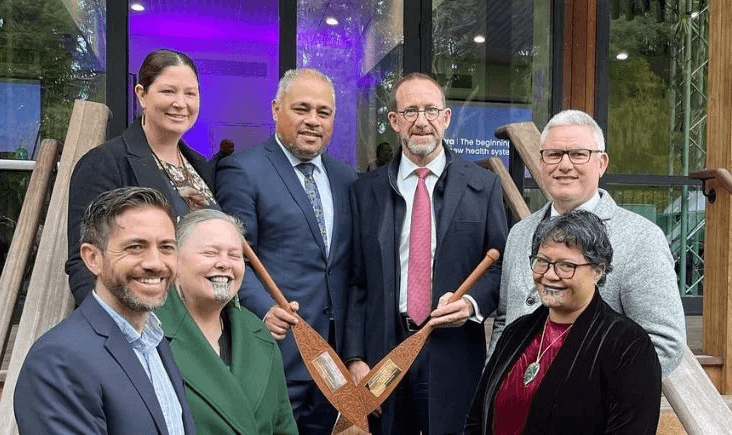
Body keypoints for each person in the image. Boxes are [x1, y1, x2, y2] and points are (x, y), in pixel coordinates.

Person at [344, 73, 508, 434]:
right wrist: (355, 357)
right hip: (385, 353)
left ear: (446, 118)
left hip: (453, 352)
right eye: (411, 111)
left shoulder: (483, 186)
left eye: (431, 110)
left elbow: (500, 267)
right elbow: (357, 282)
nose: (422, 121)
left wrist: (471, 305)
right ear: (394, 121)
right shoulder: (365, 192)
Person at [490, 109, 685, 377]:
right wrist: (491, 386)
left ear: (602, 163)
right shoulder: (520, 233)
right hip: (513, 407)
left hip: (589, 412)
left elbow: (664, 344)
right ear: (541, 161)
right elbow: (504, 320)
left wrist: (590, 392)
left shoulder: (641, 239)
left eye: (579, 154)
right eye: (554, 154)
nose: (565, 165)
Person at [216, 68, 357, 433]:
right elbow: (235, 258)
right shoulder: (242, 170)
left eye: (323, 113)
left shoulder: (347, 179)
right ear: (276, 109)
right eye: (302, 109)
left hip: (335, 362)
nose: (313, 121)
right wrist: (264, 310)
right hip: (277, 351)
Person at [14, 187, 195, 434]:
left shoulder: (155, 342)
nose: (155, 263)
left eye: (166, 247)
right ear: (92, 258)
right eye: (135, 247)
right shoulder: (57, 360)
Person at [465, 210, 661, 434]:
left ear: (598, 270)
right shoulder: (515, 333)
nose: (549, 274)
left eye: (566, 266)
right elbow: (477, 418)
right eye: (542, 261)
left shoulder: (628, 345)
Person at [67, 48, 216, 306]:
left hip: (205, 320)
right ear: (142, 95)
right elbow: (84, 264)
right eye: (168, 91)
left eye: (190, 93)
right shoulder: (105, 163)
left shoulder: (200, 166)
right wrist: (111, 332)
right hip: (144, 320)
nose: (181, 103)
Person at [156, 209, 297, 434]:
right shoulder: (148, 334)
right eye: (211, 253)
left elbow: (283, 426)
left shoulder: (259, 334)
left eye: (234, 255)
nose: (224, 263)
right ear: (175, 260)